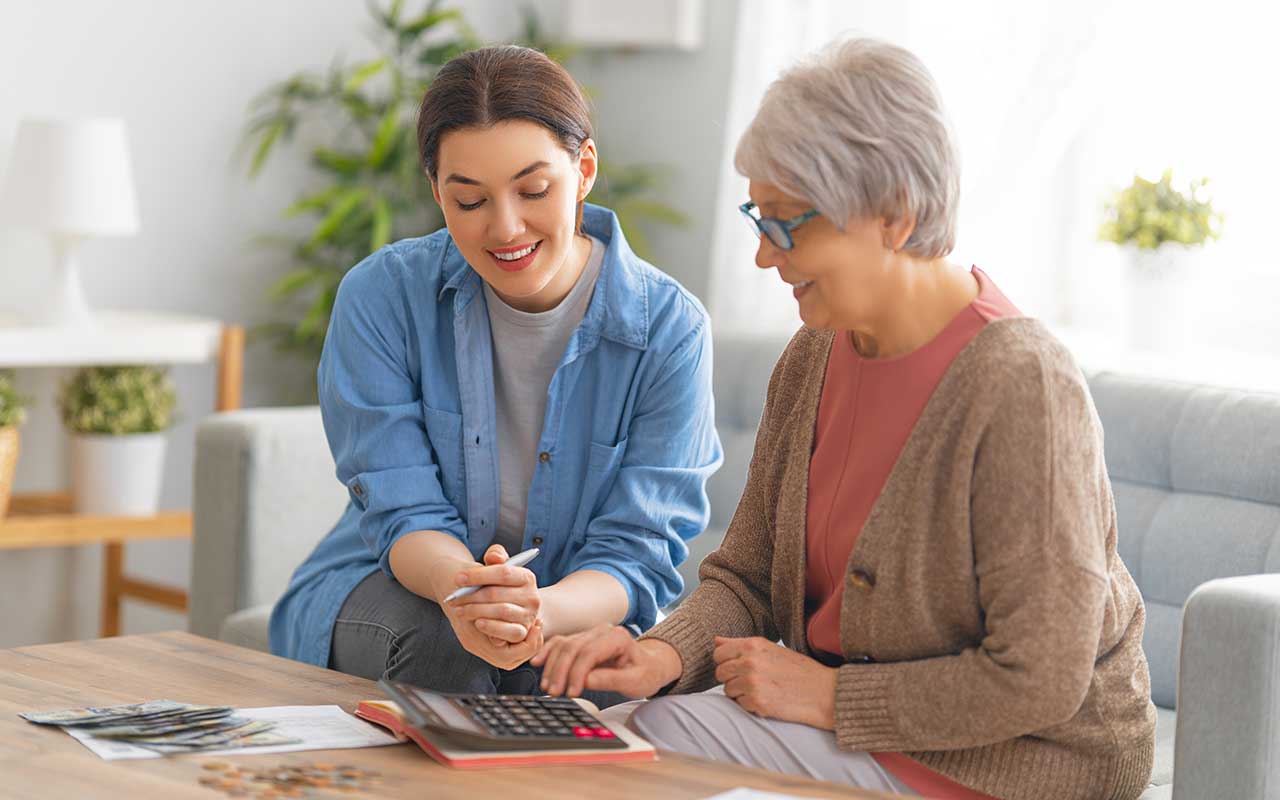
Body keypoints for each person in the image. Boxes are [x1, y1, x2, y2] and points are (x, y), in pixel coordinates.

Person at [534, 37, 1157, 798]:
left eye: (786, 225)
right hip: (846, 737)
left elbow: (1041, 679)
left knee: (637, 756)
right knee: (623, 735)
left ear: (894, 215)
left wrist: (828, 698)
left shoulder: (1021, 385)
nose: (765, 257)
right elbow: (750, 576)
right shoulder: (813, 356)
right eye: (756, 219)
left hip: (1016, 761)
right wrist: (664, 653)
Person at [269, 45, 722, 709]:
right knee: (449, 651)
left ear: (585, 168)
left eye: (533, 191)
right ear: (436, 193)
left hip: (573, 601)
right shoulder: (381, 297)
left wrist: (540, 611)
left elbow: (639, 549)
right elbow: (402, 510)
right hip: (398, 587)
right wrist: (469, 593)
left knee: (570, 677)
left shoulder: (669, 329)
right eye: (470, 200)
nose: (504, 227)